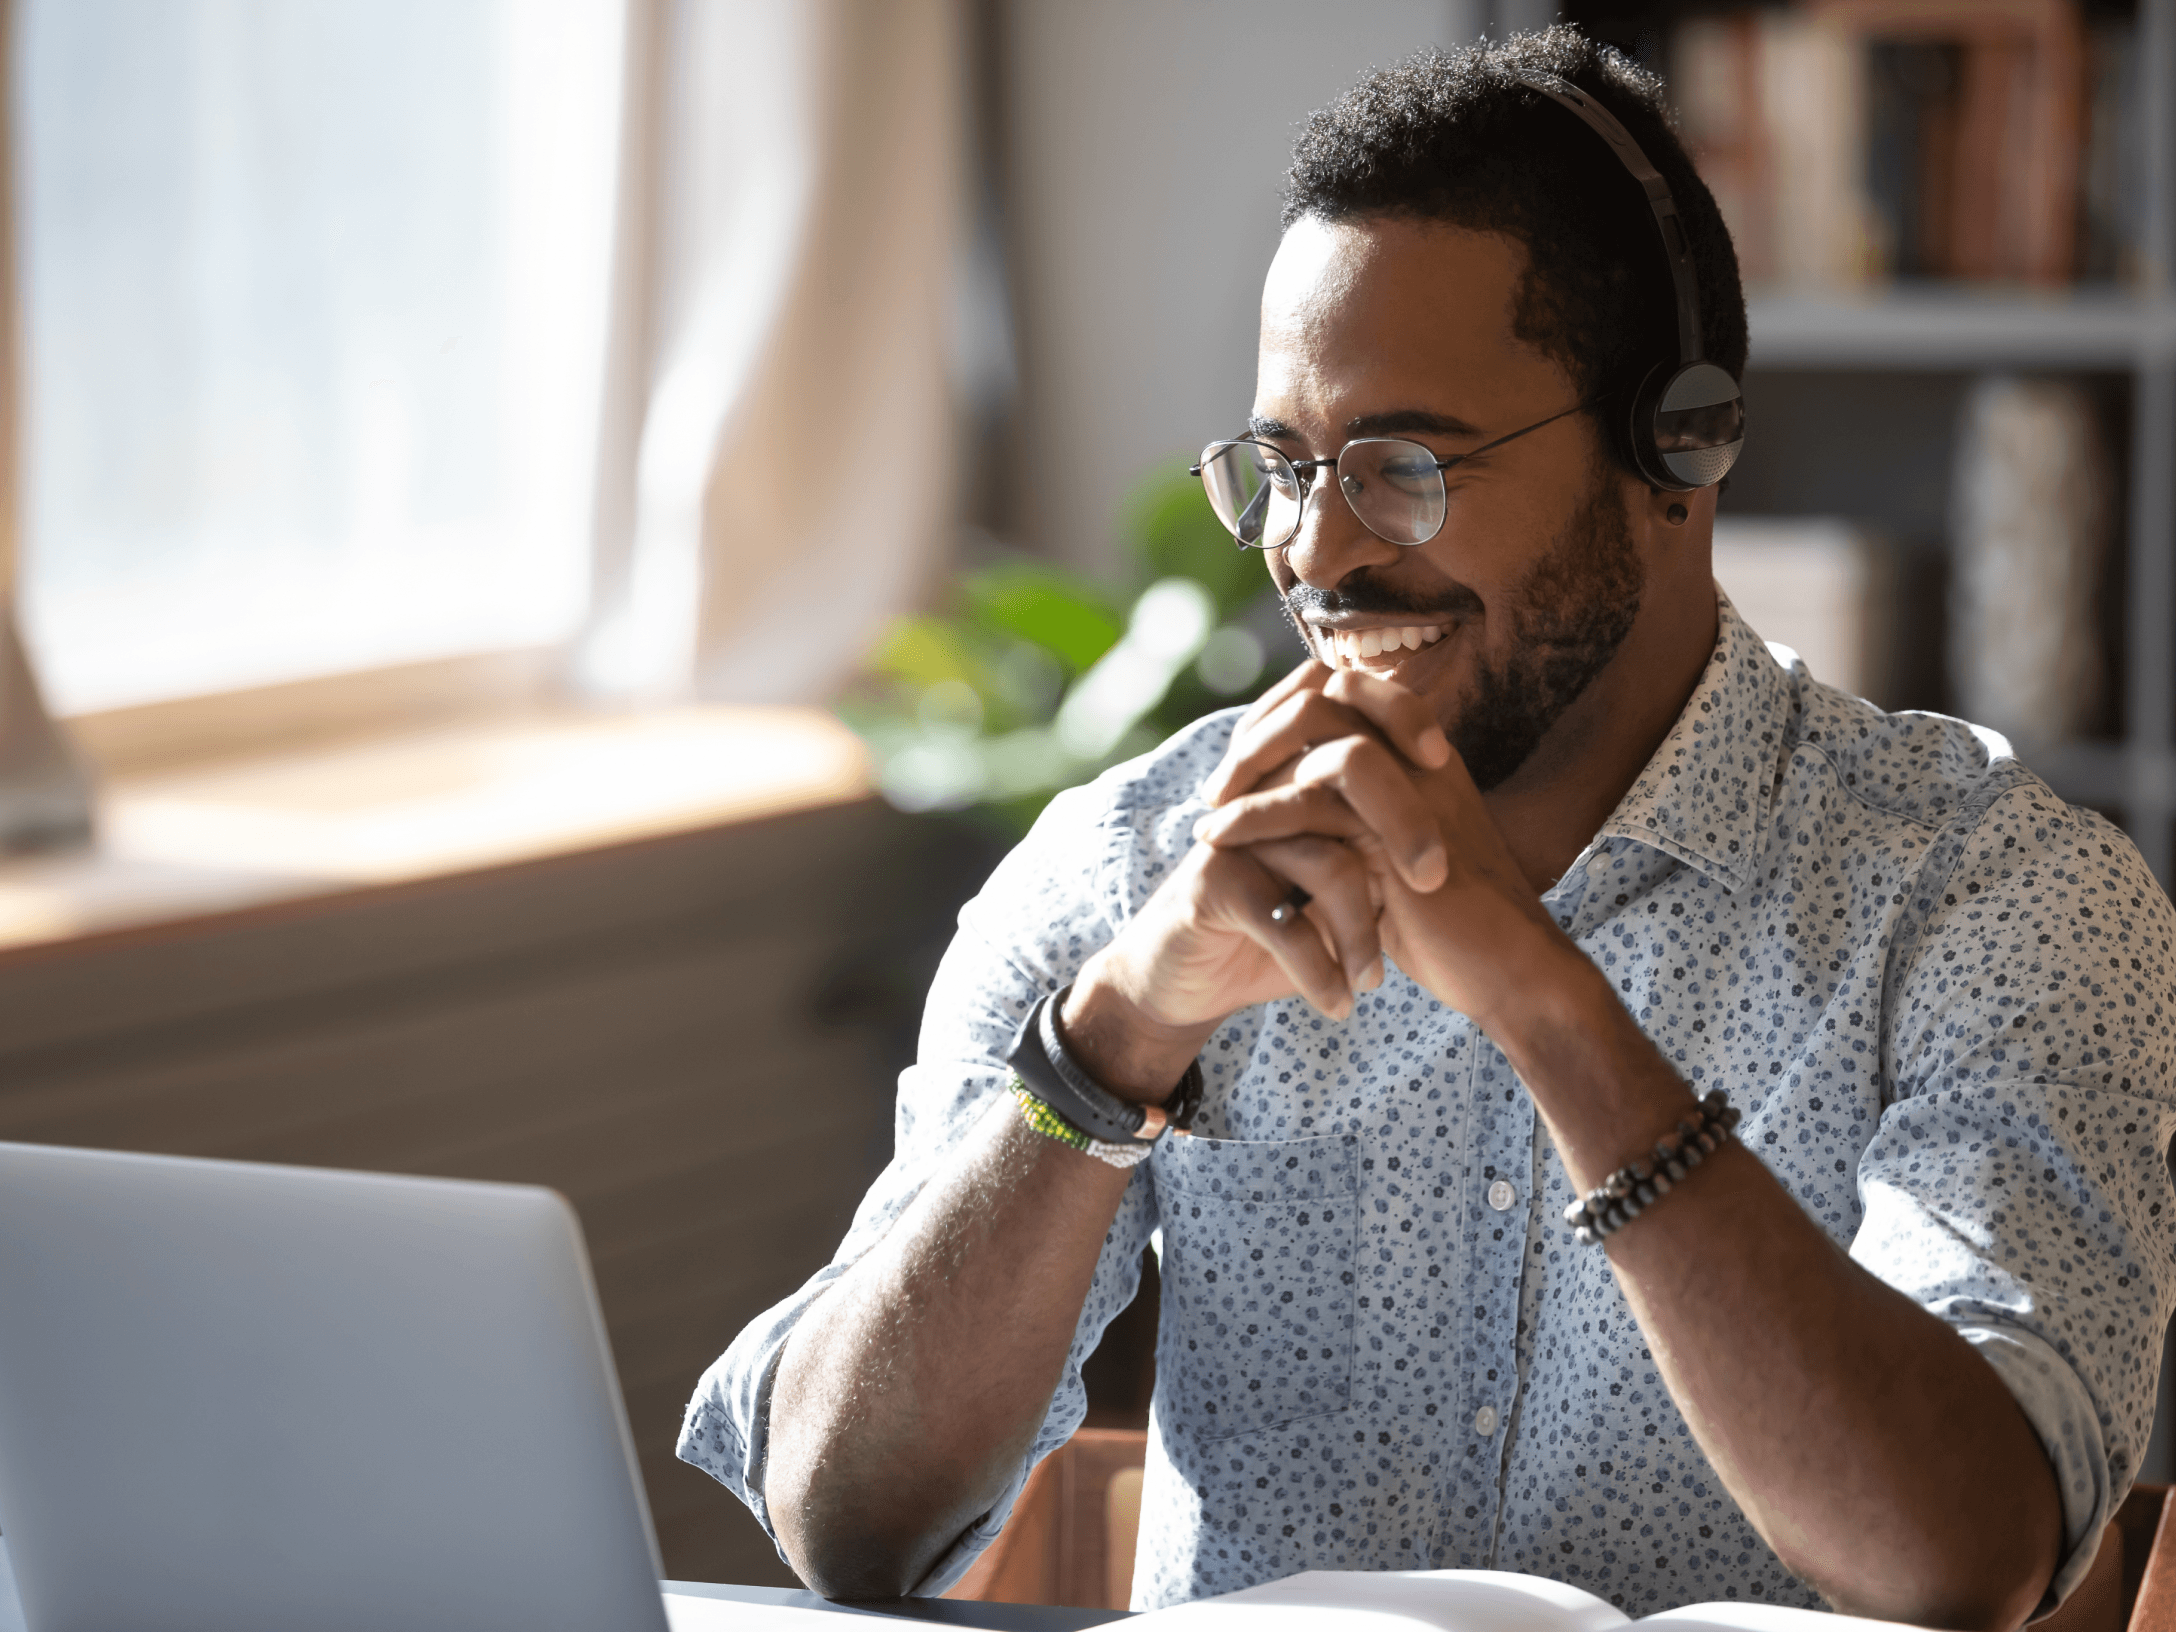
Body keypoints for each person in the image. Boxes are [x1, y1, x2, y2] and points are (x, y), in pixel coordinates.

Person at [679, 28, 2176, 1628]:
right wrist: (1112, 1044)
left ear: (1677, 448)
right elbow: (842, 1524)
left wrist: (1547, 1007)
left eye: (1406, 466)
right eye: (1283, 466)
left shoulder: (1998, 899)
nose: (1318, 552)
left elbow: (1962, 1554)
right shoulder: (1135, 868)